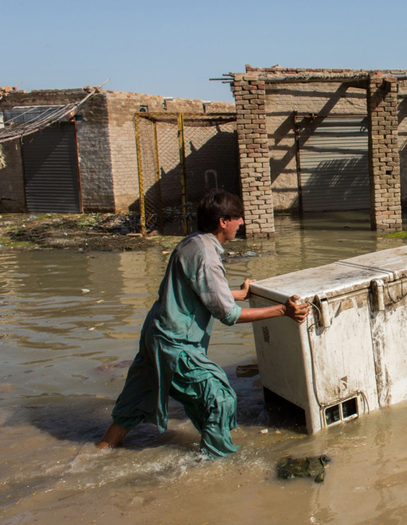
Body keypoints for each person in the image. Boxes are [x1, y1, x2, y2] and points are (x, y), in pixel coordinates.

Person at [97, 189, 309, 458]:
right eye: (238, 218)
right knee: (220, 399)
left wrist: (238, 294)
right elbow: (229, 316)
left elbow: (196, 290)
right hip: (176, 343)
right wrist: (284, 310)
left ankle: (99, 452)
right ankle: (214, 464)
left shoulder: (192, 243)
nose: (241, 223)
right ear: (223, 221)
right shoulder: (208, 257)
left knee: (136, 401)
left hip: (154, 336)